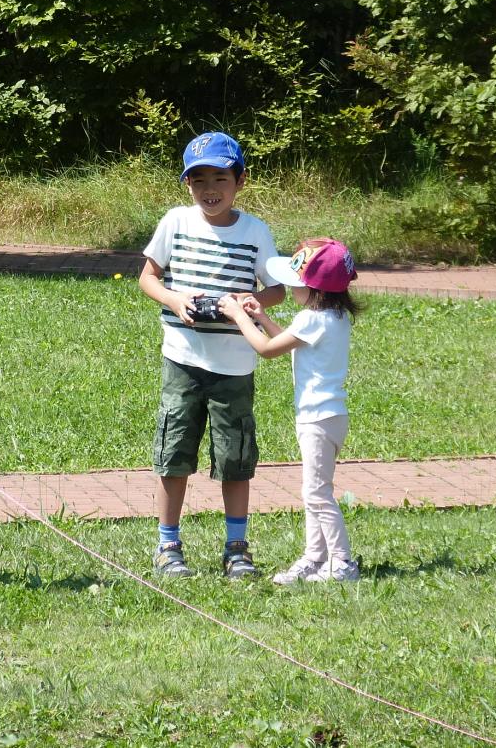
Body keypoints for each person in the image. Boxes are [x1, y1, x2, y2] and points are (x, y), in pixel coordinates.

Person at [138, 132, 284, 578]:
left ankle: (236, 547)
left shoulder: (255, 231)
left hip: (235, 365)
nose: (209, 189)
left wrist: (253, 300)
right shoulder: (176, 222)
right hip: (182, 359)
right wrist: (176, 300)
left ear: (240, 180)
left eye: (219, 177)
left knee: (235, 458)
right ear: (187, 185)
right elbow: (148, 277)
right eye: (198, 180)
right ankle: (168, 546)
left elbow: (277, 287)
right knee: (173, 451)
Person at [219, 238, 361, 584]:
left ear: (312, 289)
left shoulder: (311, 319)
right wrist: (261, 316)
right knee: (314, 490)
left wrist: (239, 316)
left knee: (316, 493)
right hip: (329, 417)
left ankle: (342, 563)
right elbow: (288, 341)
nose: (292, 290)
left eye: (296, 284)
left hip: (317, 419)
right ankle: (315, 558)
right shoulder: (334, 317)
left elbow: (268, 350)